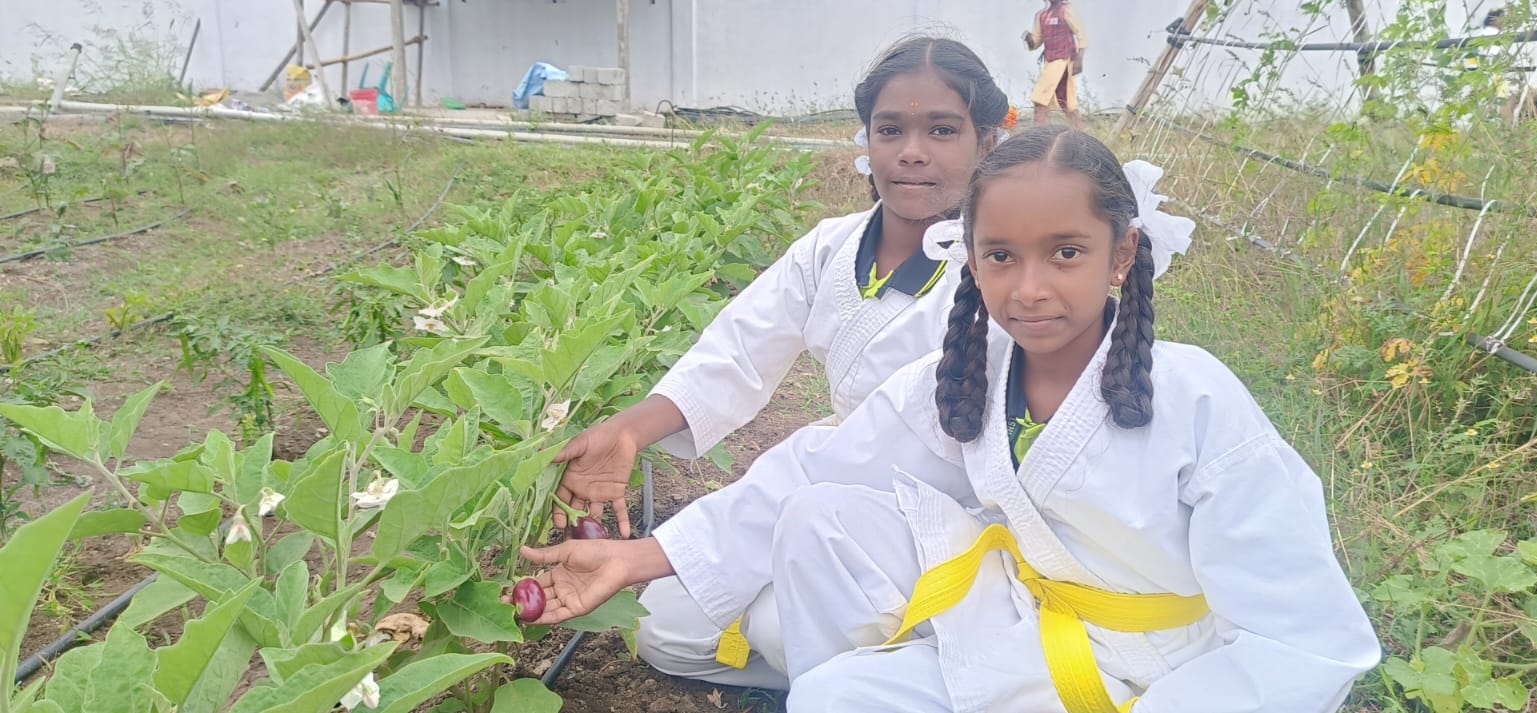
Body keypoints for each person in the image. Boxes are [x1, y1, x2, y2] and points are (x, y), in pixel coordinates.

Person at [515, 126, 1381, 712]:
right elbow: (819, 467)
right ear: (971, 257)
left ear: (1122, 254)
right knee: (830, 679)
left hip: (1170, 674)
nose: (1029, 287)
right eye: (1001, 255)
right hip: (1023, 630)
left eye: (1066, 252)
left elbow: (1305, 640)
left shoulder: (1195, 398)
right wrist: (636, 557)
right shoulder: (974, 371)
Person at [544, 34, 1012, 689]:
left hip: (942, 516)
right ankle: (873, 669)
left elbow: (866, 455)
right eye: (890, 129)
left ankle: (912, 683)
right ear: (866, 141)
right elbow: (737, 351)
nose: (911, 151)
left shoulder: (997, 273)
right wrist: (627, 432)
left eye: (941, 130)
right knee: (662, 624)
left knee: (775, 620)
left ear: (986, 145)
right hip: (830, 491)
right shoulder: (833, 246)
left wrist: (659, 551)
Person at [1023, 0, 1089, 129]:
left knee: (1040, 96)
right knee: (1065, 99)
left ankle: (1038, 130)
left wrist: (1079, 59)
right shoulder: (1042, 16)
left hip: (1063, 59)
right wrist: (1030, 40)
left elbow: (1081, 34)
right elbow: (1037, 41)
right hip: (1050, 61)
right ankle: (1081, 129)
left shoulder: (1066, 10)